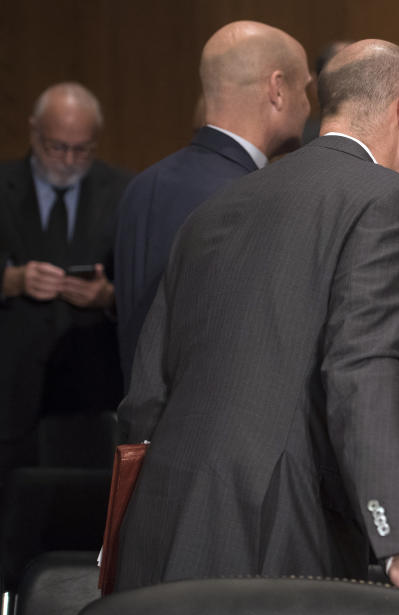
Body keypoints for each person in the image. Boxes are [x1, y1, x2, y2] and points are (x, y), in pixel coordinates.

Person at [114, 40, 399, 615]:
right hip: (274, 531)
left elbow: (145, 396)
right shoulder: (392, 200)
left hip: (159, 525)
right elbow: (364, 366)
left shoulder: (218, 207)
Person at [114, 20, 312, 387]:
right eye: (305, 88)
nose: (308, 105)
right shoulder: (254, 198)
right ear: (278, 88)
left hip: (142, 432)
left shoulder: (141, 186)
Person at [0, 82, 129, 475]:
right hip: (9, 390)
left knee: (83, 519)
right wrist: (11, 281)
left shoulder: (125, 190)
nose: (69, 158)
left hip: (91, 393)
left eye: (82, 149)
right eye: (57, 146)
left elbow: (146, 283)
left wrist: (107, 296)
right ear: (33, 131)